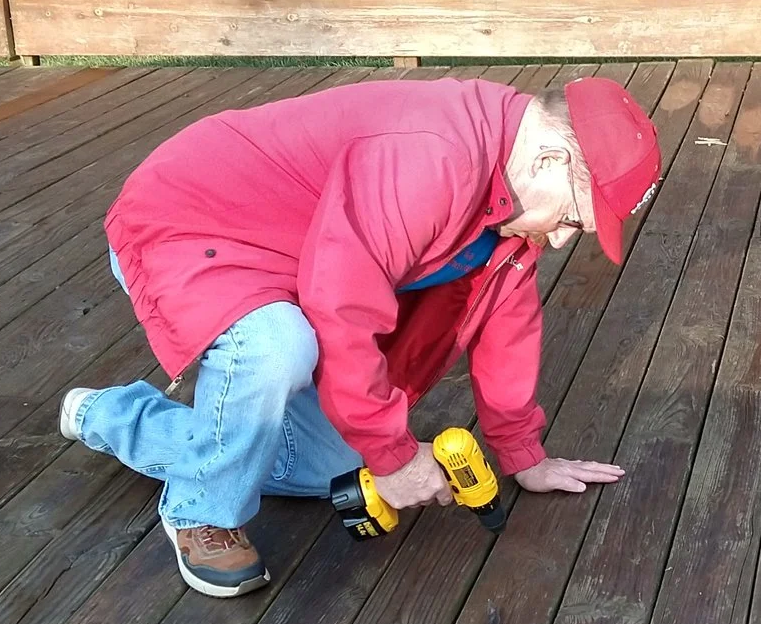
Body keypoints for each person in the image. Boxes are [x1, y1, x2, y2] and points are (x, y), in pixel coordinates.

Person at [60, 76, 660, 596]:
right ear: (551, 160)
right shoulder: (436, 158)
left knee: (336, 466)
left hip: (297, 255)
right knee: (278, 346)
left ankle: (118, 419)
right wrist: (396, 455)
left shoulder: (512, 192)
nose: (561, 240)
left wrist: (524, 454)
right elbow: (342, 307)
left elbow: (509, 323)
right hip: (190, 217)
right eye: (575, 218)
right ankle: (202, 511)